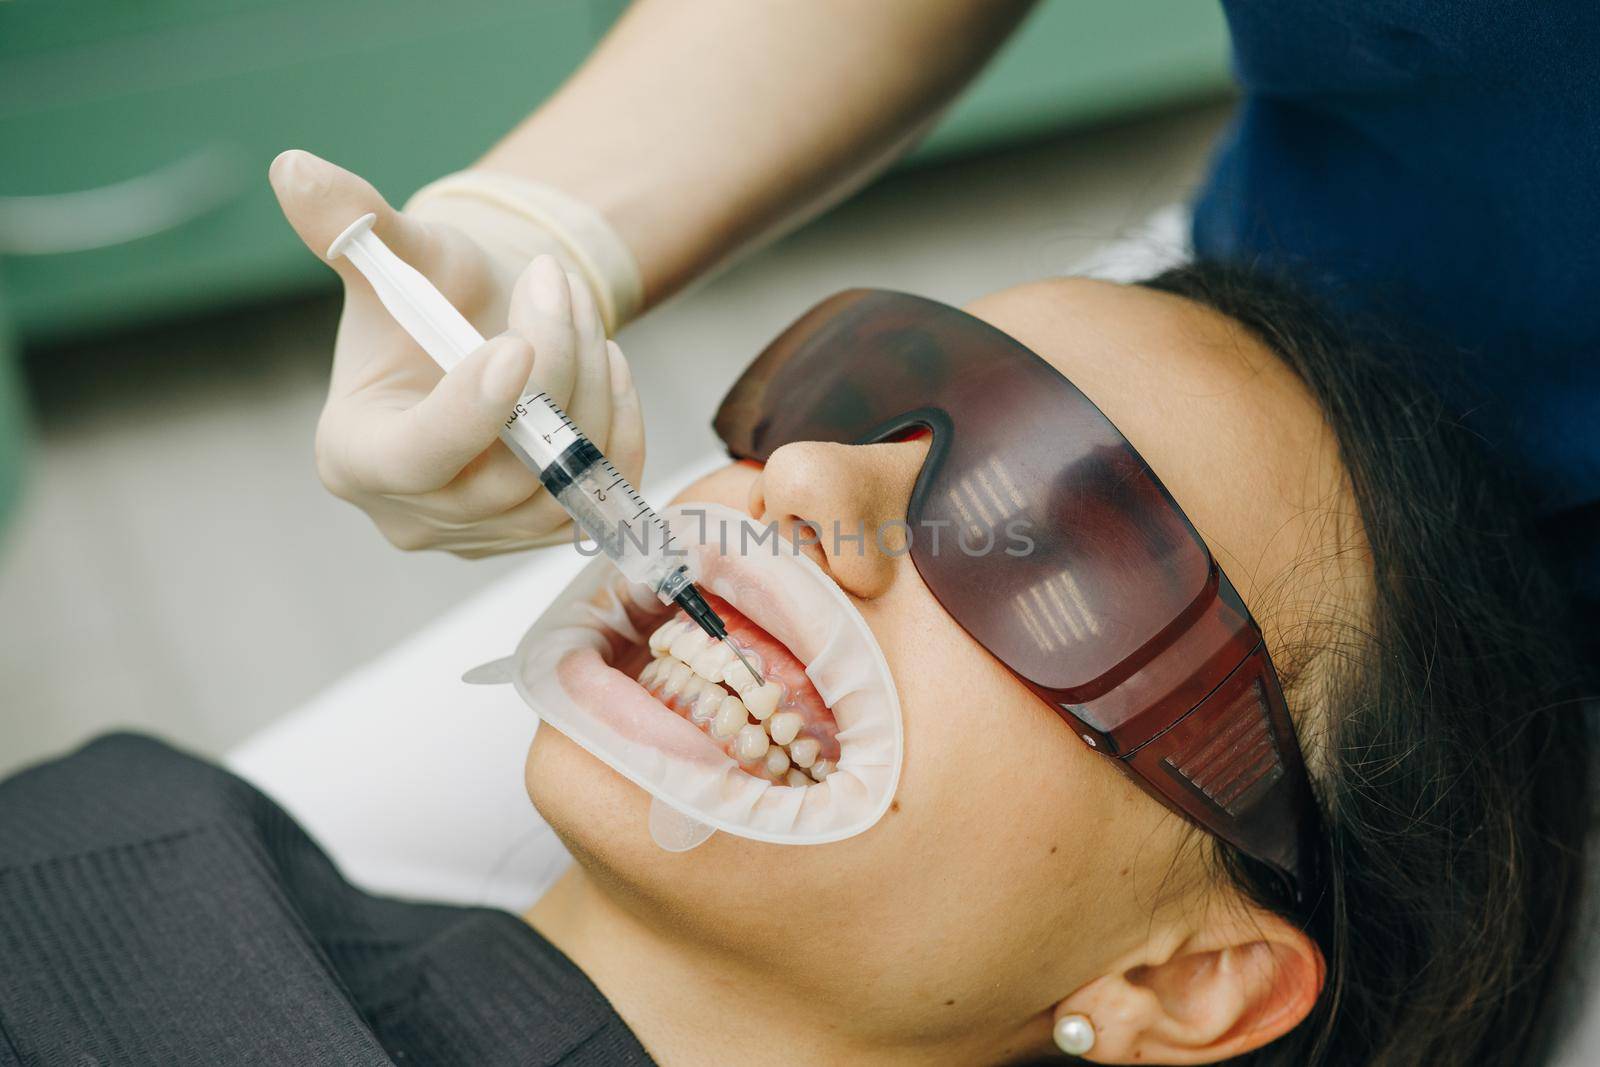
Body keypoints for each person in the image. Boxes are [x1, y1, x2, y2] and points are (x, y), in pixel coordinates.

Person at [1, 262, 1588, 1065]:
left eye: (1055, 550)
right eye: (870, 398)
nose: (810, 484)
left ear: (1184, 978)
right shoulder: (123, 843)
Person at [269, 0, 1599, 629]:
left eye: (1038, 557)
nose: (786, 469)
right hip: (1280, 324)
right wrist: (543, 229)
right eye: (923, 394)